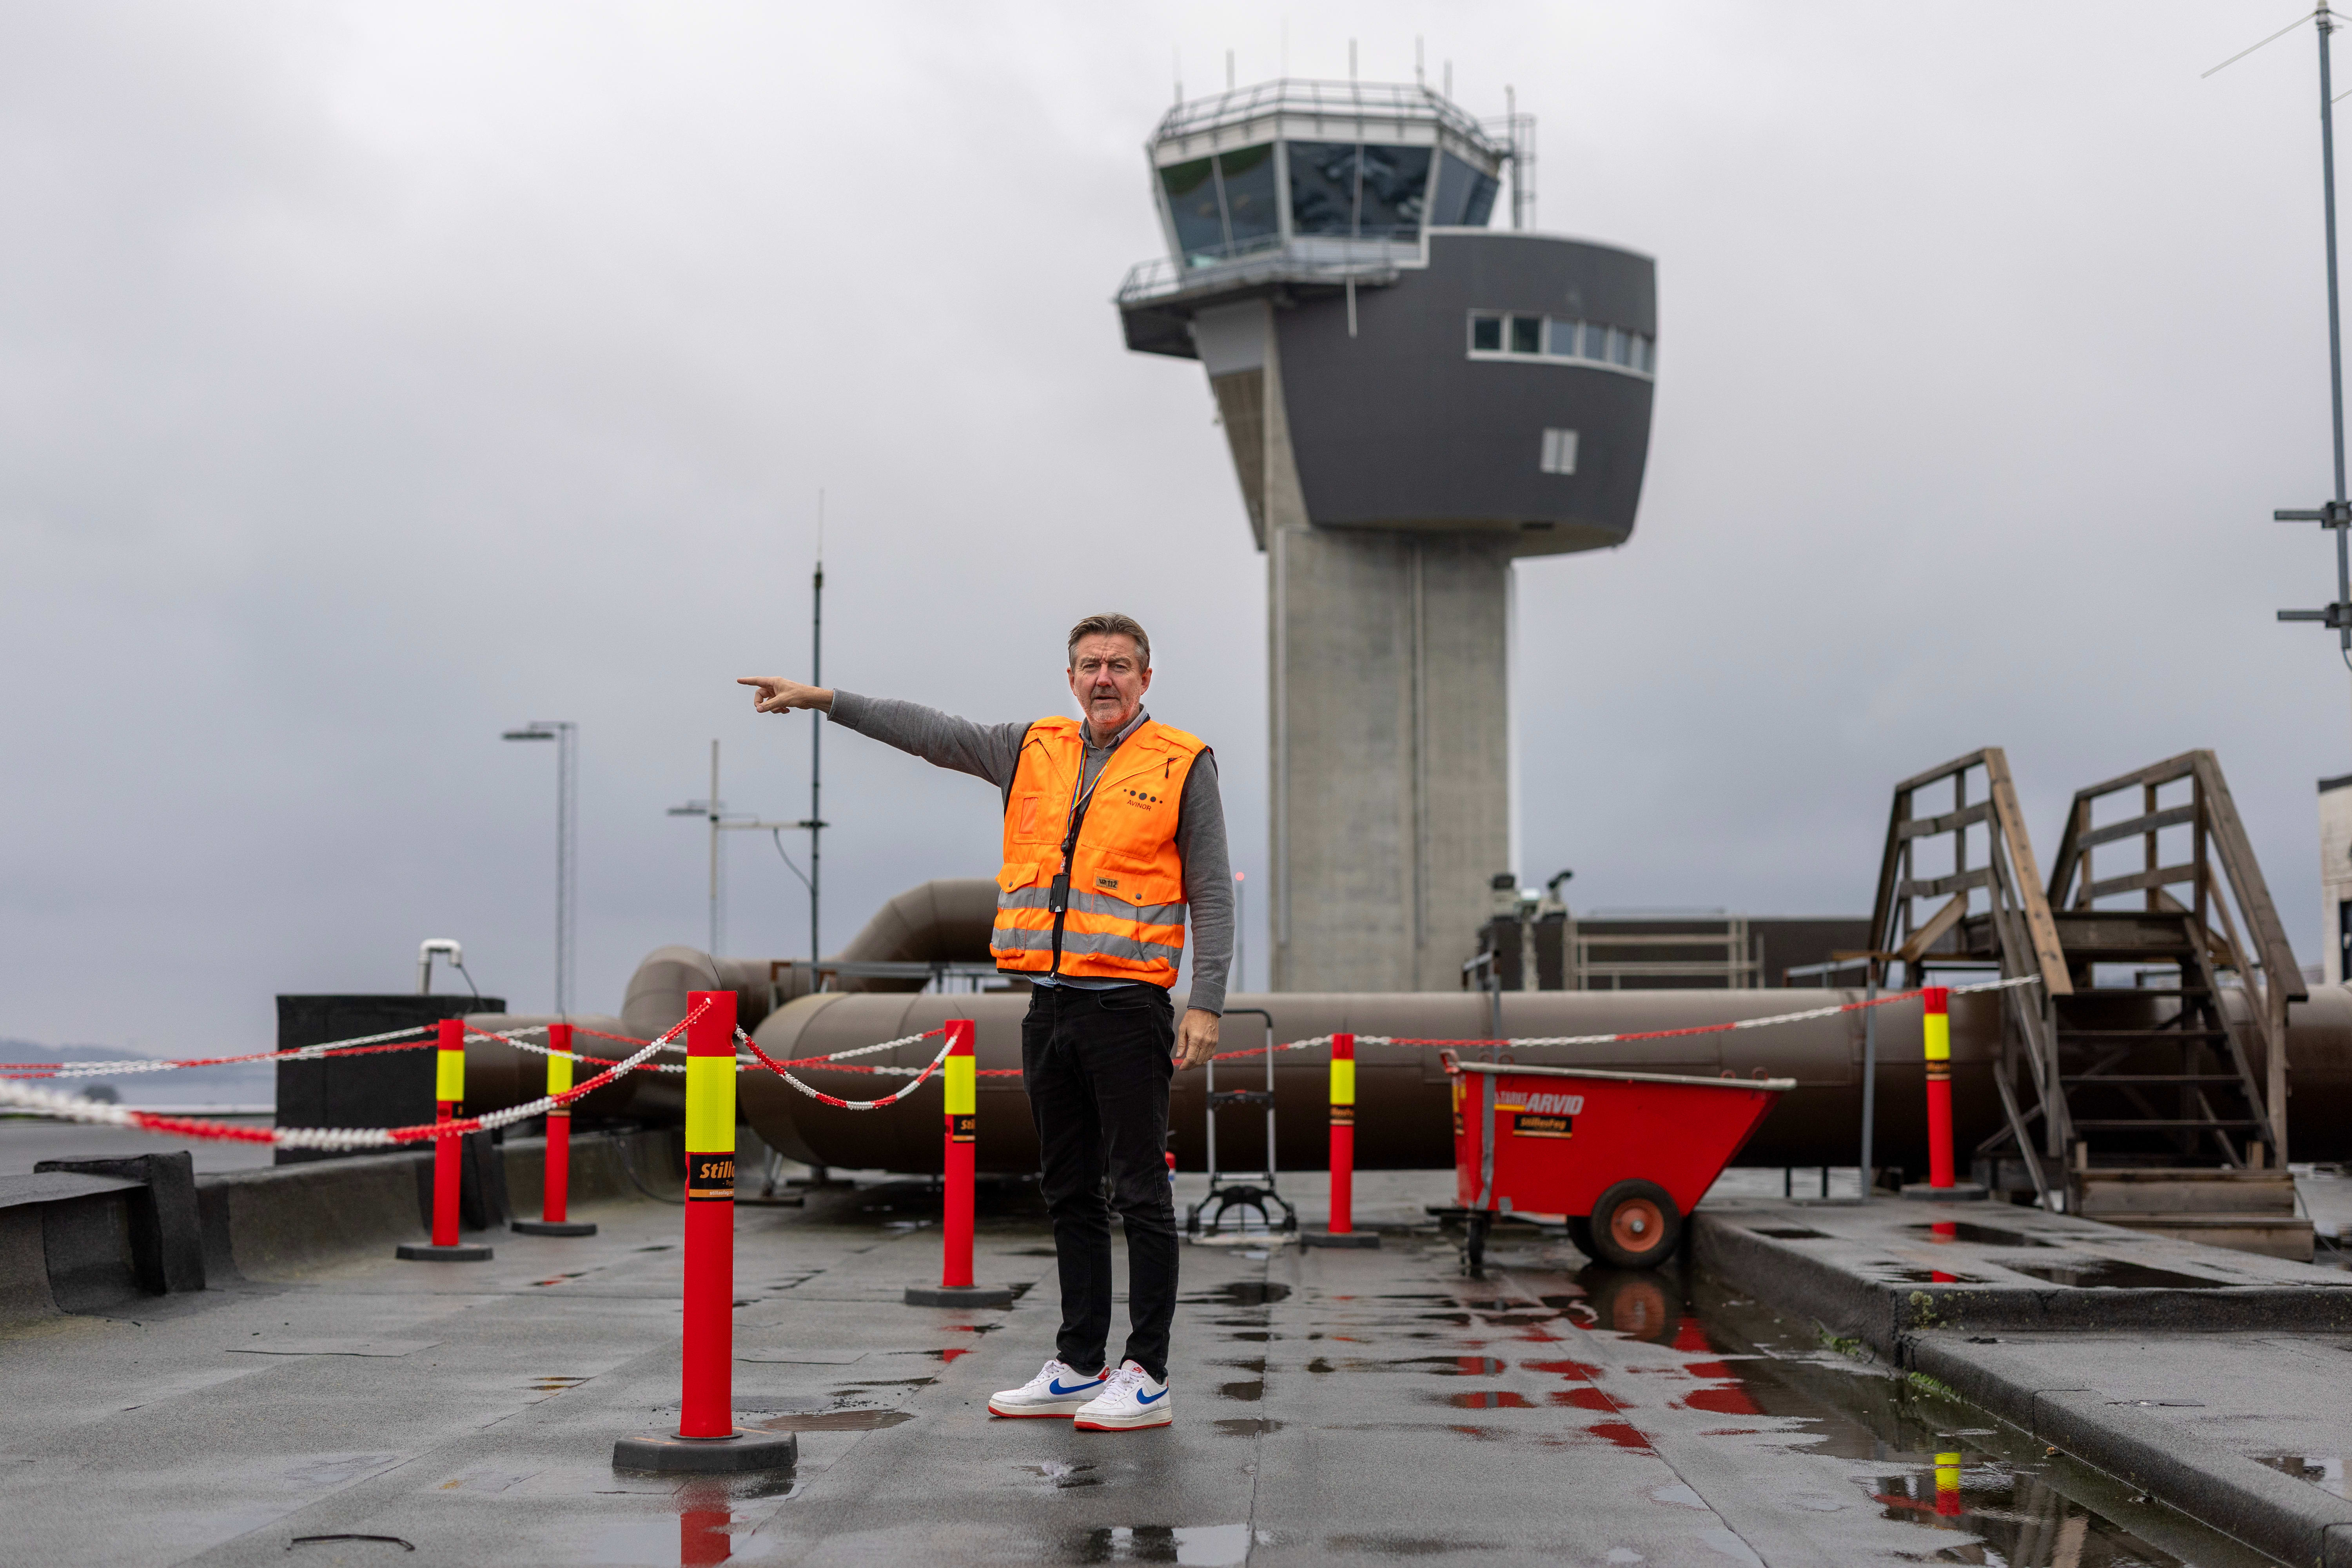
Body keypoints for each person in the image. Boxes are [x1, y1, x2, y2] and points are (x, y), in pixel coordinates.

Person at [738, 611, 1230, 1433]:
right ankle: (1080, 1363)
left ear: (1146, 677)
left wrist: (1206, 1001)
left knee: (1139, 1189)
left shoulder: (1184, 762)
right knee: (1068, 1187)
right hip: (1048, 1005)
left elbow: (1213, 889)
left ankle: (1147, 1371)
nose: (1102, 677)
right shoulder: (1030, 747)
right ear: (1070, 676)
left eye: (1118, 664)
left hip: (1128, 1008)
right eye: (1088, 665)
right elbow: (930, 732)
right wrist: (825, 698)